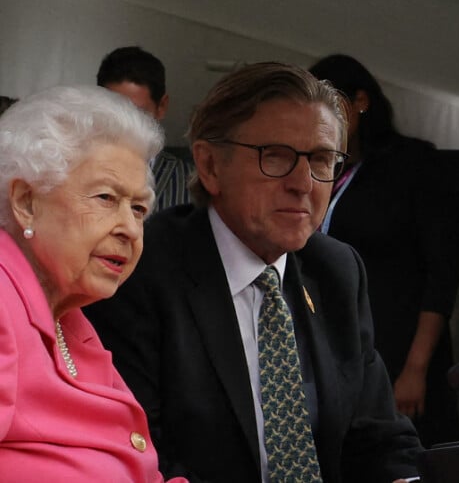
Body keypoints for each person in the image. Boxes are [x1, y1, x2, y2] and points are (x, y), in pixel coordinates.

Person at [85, 62, 424, 482]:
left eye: (321, 160)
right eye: (276, 157)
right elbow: (139, 456)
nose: (304, 183)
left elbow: (381, 437)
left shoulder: (336, 271)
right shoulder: (140, 271)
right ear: (209, 166)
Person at [0, 86, 188, 483]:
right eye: (106, 198)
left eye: (139, 209)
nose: (130, 230)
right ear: (26, 201)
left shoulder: (73, 322)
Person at [310, 54, 459, 447]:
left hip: (398, 348)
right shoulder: (319, 169)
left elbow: (442, 272)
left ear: (361, 100)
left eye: (334, 107)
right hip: (333, 347)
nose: (325, 121)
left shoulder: (413, 164)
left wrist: (416, 367)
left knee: (406, 455)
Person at [97, 46, 194, 212]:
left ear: (161, 107)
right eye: (113, 111)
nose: (125, 125)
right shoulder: (74, 170)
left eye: (138, 114)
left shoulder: (190, 183)